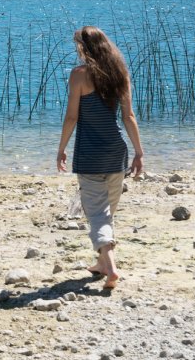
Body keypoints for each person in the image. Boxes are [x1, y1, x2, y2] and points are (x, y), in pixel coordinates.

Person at [56, 25, 144, 289]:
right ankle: (103, 263)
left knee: (97, 215)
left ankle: (112, 269)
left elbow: (72, 116)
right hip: (117, 152)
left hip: (90, 155)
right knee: (106, 212)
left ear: (84, 48)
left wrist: (61, 148)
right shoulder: (120, 74)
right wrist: (139, 153)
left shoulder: (79, 75)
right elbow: (128, 117)